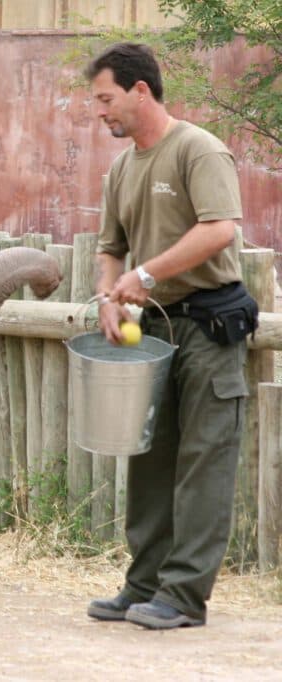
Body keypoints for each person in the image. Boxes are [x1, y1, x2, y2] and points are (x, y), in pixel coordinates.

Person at [85, 42, 257, 630]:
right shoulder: (120, 168)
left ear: (140, 90)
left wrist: (145, 274)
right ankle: (144, 585)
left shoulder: (198, 149)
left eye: (106, 98)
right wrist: (110, 297)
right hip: (151, 331)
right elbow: (109, 248)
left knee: (204, 462)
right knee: (150, 459)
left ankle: (184, 596)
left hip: (211, 326)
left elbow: (220, 230)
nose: (100, 111)